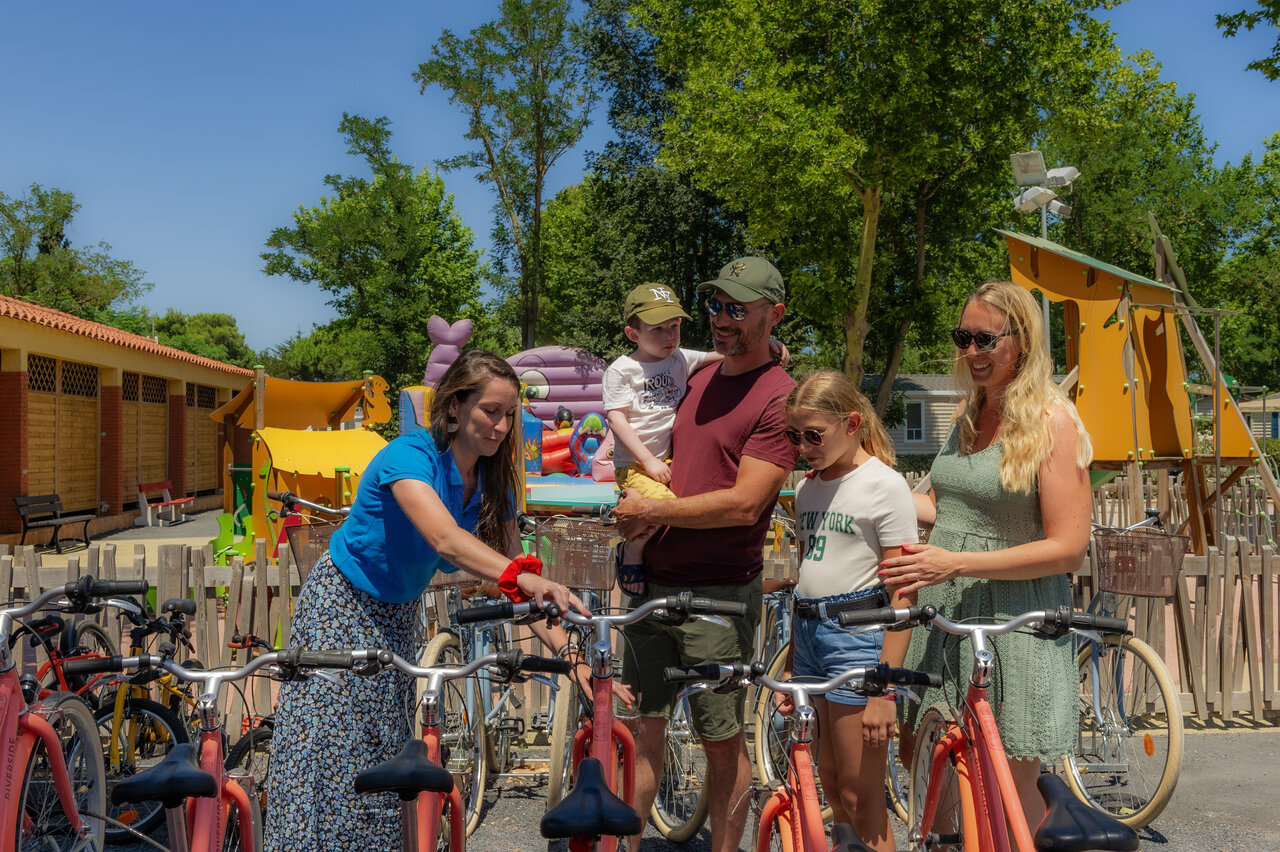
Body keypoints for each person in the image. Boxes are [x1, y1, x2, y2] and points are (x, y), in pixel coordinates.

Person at [265, 349, 596, 851]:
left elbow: (514, 588)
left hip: (397, 614)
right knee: (328, 744)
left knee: (385, 752)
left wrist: (571, 658)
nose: (503, 425)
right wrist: (521, 576)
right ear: (455, 409)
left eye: (511, 414)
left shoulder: (493, 483)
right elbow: (444, 539)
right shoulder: (409, 456)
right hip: (341, 607)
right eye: (491, 411)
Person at [878, 281, 1093, 829]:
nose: (970, 352)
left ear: (1021, 342)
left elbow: (1068, 548)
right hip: (946, 609)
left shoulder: (1052, 421)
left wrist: (956, 563)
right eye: (962, 338)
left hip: (1015, 625)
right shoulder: (970, 413)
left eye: (984, 340)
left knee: (1007, 793)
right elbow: (944, 507)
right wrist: (858, 484)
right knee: (927, 757)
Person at [613, 256, 797, 852]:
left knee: (722, 740)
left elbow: (745, 505)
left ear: (775, 315)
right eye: (716, 305)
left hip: (718, 593)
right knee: (642, 733)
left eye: (737, 308)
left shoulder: (778, 398)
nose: (721, 318)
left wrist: (652, 512)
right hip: (652, 582)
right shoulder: (693, 375)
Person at [779, 369, 918, 852]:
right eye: (794, 435)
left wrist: (885, 688)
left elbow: (904, 592)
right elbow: (805, 577)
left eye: (814, 434)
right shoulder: (806, 488)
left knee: (862, 795)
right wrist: (796, 661)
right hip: (812, 633)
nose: (803, 446)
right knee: (834, 788)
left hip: (859, 638)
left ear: (852, 423)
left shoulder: (885, 484)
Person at [603, 282, 787, 591]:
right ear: (633, 334)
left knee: (661, 506)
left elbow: (715, 355)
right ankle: (632, 551)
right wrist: (647, 461)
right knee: (663, 503)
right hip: (636, 463)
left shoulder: (680, 359)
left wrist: (768, 343)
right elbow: (616, 420)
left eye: (674, 327)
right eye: (658, 329)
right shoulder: (623, 370)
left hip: (666, 464)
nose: (669, 336)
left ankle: (637, 549)